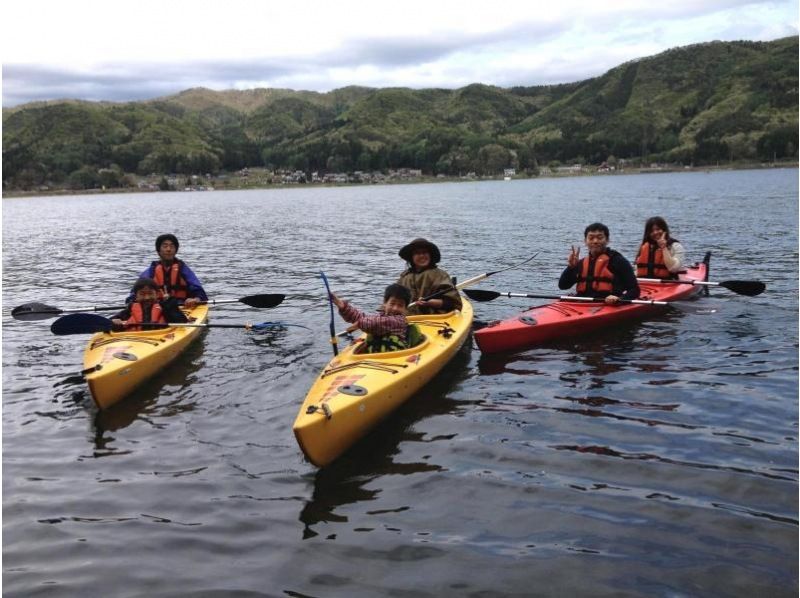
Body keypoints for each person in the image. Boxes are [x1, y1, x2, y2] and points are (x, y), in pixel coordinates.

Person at [559, 222, 640, 304]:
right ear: (585, 241)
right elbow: (563, 286)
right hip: (582, 304)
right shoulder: (581, 263)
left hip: (609, 305)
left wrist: (620, 299)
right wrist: (570, 267)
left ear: (607, 240)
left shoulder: (618, 261)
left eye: (599, 238)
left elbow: (635, 290)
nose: (595, 241)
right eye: (591, 238)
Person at [330, 284, 421, 353]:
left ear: (405, 309)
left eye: (400, 305)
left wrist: (359, 324)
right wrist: (342, 306)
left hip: (395, 357)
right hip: (374, 357)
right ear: (385, 303)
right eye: (392, 303)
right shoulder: (379, 317)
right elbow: (360, 317)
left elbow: (377, 323)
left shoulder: (399, 321)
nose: (395, 308)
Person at [130, 234, 207, 308]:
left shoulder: (184, 270)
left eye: (172, 246)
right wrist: (132, 303)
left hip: (182, 307)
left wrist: (196, 299)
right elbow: (134, 295)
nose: (168, 249)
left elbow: (200, 293)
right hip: (156, 308)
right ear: (158, 251)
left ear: (176, 250)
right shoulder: (150, 272)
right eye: (165, 246)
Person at [396, 238, 462, 316]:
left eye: (425, 252)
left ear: (430, 255)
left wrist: (429, 303)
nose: (422, 256)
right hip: (407, 318)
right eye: (417, 253)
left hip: (433, 318)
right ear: (411, 257)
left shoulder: (440, 275)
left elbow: (452, 303)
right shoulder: (405, 276)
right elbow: (394, 299)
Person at [112, 277, 188, 331]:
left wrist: (168, 303)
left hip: (160, 338)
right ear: (136, 296)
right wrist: (113, 322)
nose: (147, 298)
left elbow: (182, 322)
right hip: (134, 340)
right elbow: (108, 323)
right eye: (142, 294)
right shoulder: (129, 310)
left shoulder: (165, 307)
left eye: (150, 293)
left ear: (157, 295)